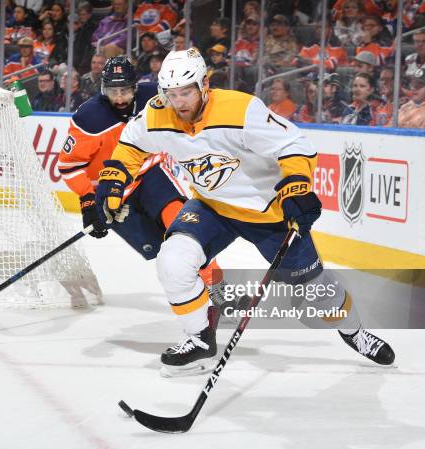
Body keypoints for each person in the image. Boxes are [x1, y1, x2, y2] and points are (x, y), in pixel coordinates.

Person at [95, 49, 395, 375]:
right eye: (171, 94)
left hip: (268, 213)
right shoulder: (158, 113)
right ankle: (198, 338)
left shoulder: (241, 109)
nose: (178, 102)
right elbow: (131, 146)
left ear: (204, 85)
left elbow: (293, 144)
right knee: (173, 261)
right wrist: (113, 181)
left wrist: (295, 186)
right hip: (211, 206)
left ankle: (354, 331)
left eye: (186, 92)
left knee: (315, 287)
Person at [57, 57, 224, 368]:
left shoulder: (154, 97)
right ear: (102, 88)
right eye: (112, 91)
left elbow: (195, 106)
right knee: (164, 254)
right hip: (115, 194)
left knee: (182, 226)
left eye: (125, 91)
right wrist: (89, 201)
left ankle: (217, 287)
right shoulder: (89, 117)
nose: (120, 98)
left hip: (149, 174)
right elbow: (69, 166)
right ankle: (198, 298)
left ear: (136, 87)